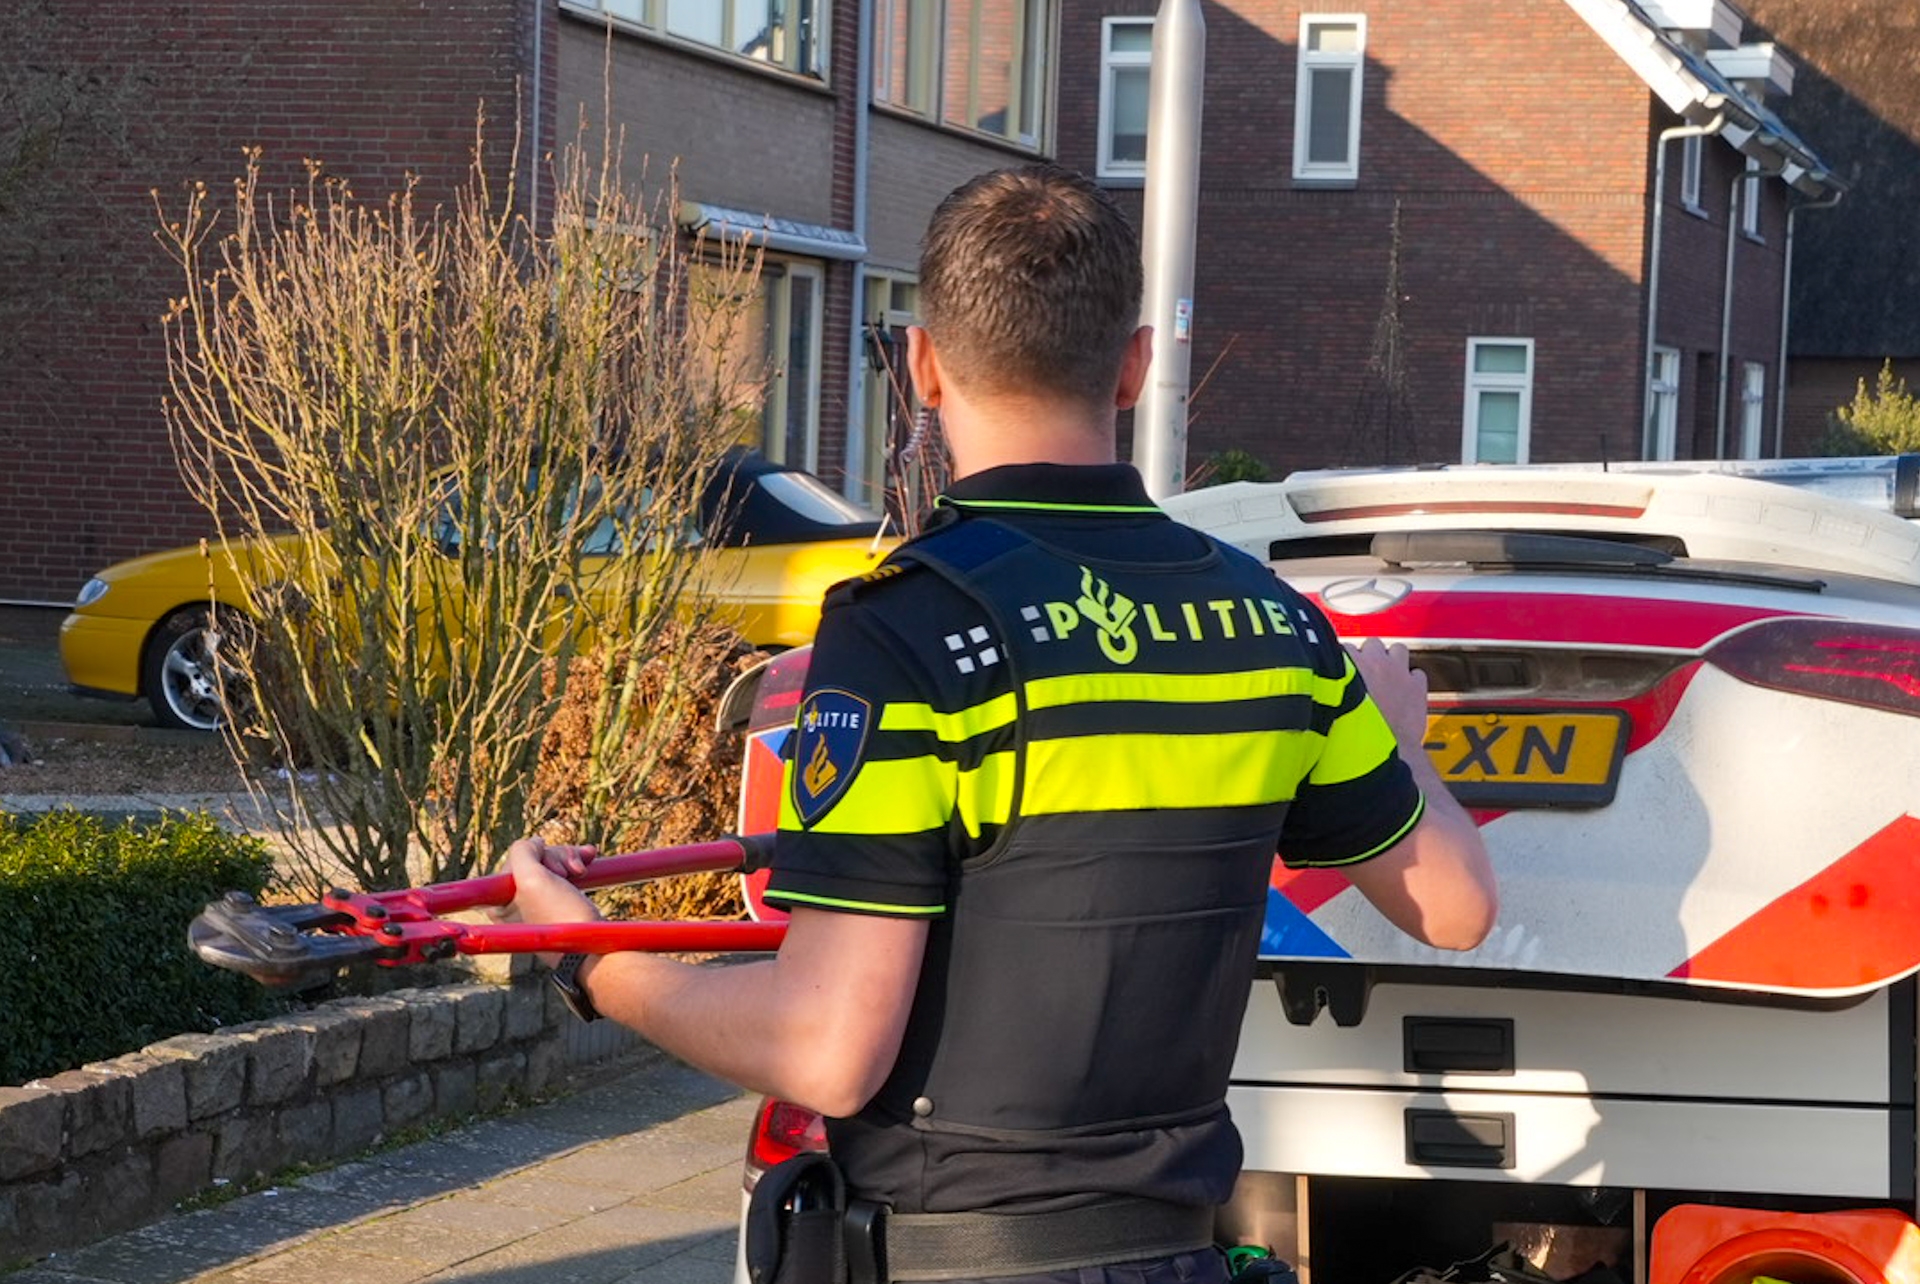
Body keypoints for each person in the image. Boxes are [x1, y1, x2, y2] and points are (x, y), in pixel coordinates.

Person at [503, 163, 1496, 1284]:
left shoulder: (906, 630)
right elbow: (1455, 908)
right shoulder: (1274, 625)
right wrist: (1400, 746)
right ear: (1135, 365)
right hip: (1176, 1257)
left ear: (924, 364)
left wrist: (592, 960)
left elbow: (826, 1047)